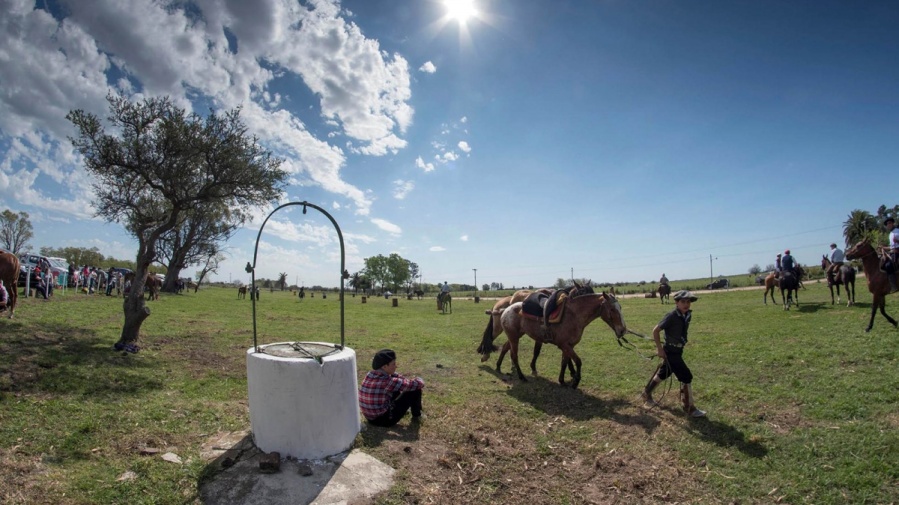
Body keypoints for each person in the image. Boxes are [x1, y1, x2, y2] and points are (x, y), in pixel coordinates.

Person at [641, 290, 707, 418]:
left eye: (688, 301)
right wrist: (660, 349)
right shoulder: (671, 316)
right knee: (686, 376)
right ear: (676, 302)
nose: (686, 304)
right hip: (671, 351)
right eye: (683, 301)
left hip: (678, 350)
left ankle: (646, 393)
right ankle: (689, 408)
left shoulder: (687, 314)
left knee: (664, 372)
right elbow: (655, 331)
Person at [358, 349, 424, 427]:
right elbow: (416, 384)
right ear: (384, 366)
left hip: (370, 418)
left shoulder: (370, 374)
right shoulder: (387, 381)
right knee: (415, 390)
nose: (396, 366)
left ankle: (406, 411)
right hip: (384, 420)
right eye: (393, 364)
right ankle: (417, 415)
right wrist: (419, 379)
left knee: (398, 388)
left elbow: (397, 378)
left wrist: (399, 378)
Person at [882, 218, 899, 293]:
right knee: (882, 263)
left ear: (892, 223)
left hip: (898, 252)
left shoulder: (898, 231)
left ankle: (894, 286)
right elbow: (891, 246)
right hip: (892, 252)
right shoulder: (890, 234)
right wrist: (883, 247)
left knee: (888, 265)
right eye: (887, 224)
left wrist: (898, 241)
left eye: (889, 223)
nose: (888, 225)